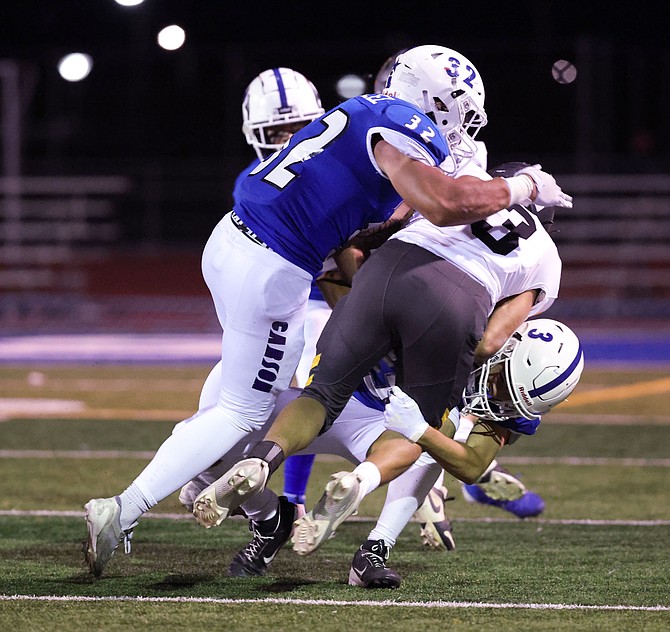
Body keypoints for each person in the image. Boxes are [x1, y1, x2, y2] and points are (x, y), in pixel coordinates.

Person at [83, 43, 571, 578]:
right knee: (244, 414)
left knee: (250, 400)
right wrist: (518, 186)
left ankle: (271, 509)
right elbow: (442, 205)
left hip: (230, 242)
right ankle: (126, 510)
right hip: (280, 272)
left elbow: (370, 239)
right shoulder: (407, 135)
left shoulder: (356, 113)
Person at [183, 317, 583, 585]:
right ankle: (273, 516)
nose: (497, 401)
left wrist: (424, 431)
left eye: (511, 400)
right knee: (201, 459)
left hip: (377, 421)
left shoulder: (515, 395)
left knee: (431, 445)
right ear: (502, 348)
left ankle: (373, 548)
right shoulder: (459, 315)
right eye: (499, 384)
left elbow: (472, 461)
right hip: (326, 380)